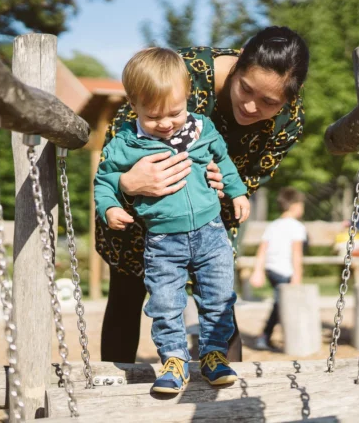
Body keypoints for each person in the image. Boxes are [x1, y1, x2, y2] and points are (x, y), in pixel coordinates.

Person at [96, 27, 309, 364]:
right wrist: (127, 183)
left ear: (289, 99)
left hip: (211, 212)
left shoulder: (289, 122)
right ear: (238, 61)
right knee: (128, 291)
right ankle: (112, 393)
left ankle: (224, 403)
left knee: (219, 297)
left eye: (269, 102)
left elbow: (253, 175)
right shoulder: (179, 73)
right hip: (140, 211)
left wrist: (229, 187)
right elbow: (120, 138)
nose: (251, 106)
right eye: (246, 88)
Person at [94, 47, 251, 392]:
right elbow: (104, 182)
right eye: (153, 117)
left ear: (187, 98)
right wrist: (110, 208)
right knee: (165, 303)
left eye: (174, 112)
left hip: (211, 232)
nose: (165, 123)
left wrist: (237, 192)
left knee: (219, 296)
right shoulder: (126, 144)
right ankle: (173, 360)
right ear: (133, 106)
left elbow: (224, 161)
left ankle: (213, 355)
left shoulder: (202, 128)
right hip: (163, 242)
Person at [248, 187, 307, 351]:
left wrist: (258, 271)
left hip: (271, 269)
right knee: (281, 304)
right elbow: (297, 254)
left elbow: (262, 250)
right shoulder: (297, 227)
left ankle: (279, 336)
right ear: (295, 206)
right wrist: (297, 276)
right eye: (301, 205)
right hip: (285, 271)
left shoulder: (273, 225)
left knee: (280, 303)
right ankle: (266, 336)